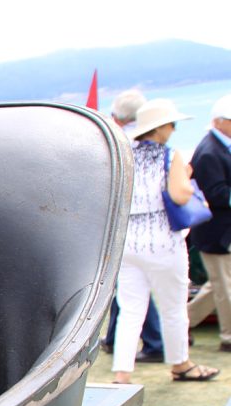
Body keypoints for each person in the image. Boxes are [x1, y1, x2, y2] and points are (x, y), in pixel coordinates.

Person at [112, 99, 217, 384]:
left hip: (129, 241)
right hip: (163, 241)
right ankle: (180, 363)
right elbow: (181, 195)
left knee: (130, 310)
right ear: (160, 129)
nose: (173, 129)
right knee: (173, 307)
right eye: (171, 124)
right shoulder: (170, 156)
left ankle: (122, 373)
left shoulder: (125, 156)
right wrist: (184, 176)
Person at [101, 89, 164, 360]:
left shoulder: (116, 145)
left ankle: (153, 341)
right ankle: (121, 338)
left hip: (123, 227)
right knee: (128, 288)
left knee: (130, 289)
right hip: (141, 227)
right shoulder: (146, 146)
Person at [190, 94, 231, 352]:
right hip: (215, 230)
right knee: (224, 286)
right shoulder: (209, 151)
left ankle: (185, 320)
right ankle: (229, 336)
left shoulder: (220, 147)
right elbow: (215, 193)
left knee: (218, 283)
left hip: (221, 229)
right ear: (218, 122)